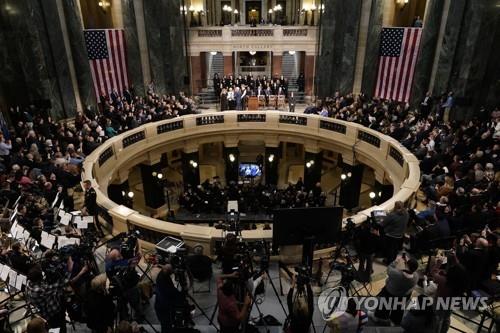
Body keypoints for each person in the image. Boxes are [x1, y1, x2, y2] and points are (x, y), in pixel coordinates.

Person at [369, 255, 419, 325]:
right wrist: (407, 263)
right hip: (404, 295)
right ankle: (394, 321)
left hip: (390, 293)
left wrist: (396, 261)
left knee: (384, 306)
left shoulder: (396, 274)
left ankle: (378, 317)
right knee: (398, 309)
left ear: (407, 265)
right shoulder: (416, 276)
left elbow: (389, 268)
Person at [155, 264, 184, 333]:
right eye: (171, 272)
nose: (172, 273)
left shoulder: (163, 273)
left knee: (167, 324)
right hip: (163, 307)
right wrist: (179, 294)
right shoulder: (162, 280)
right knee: (166, 325)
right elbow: (170, 290)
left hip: (162, 304)